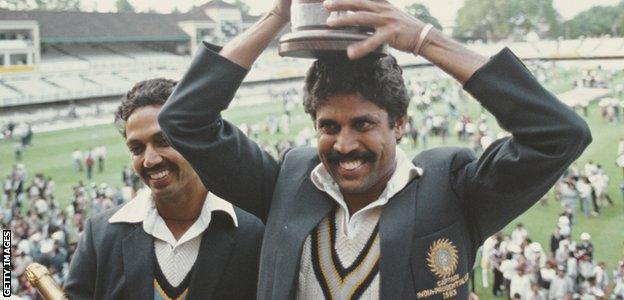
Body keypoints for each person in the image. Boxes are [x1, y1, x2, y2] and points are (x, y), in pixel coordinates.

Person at [158, 0, 591, 298]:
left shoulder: (453, 189)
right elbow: (184, 119)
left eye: (363, 124)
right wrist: (278, 15)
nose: (344, 145)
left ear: (399, 123)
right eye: (328, 126)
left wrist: (424, 40)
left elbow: (558, 134)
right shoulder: (285, 183)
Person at [63, 79, 264, 299]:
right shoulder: (100, 235)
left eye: (164, 140)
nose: (149, 160)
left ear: (198, 139)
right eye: (137, 148)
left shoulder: (253, 232)